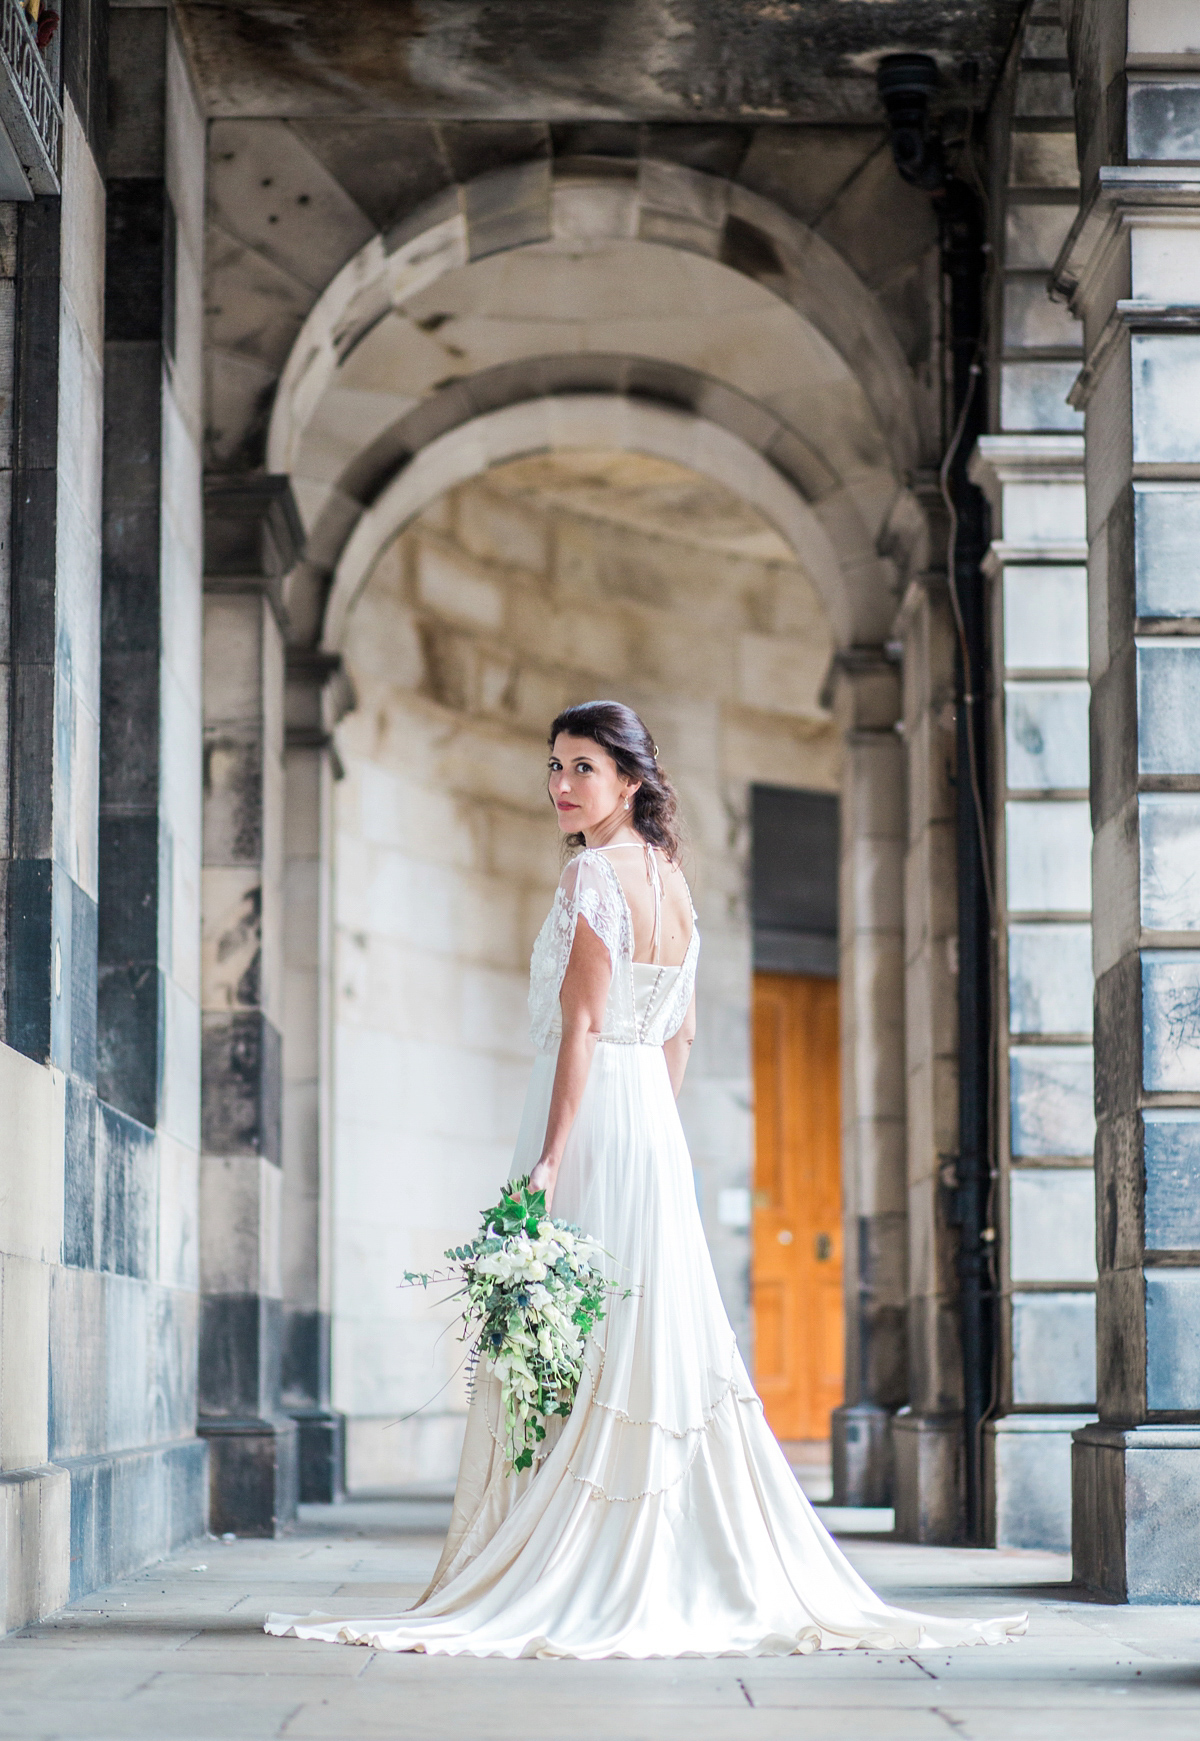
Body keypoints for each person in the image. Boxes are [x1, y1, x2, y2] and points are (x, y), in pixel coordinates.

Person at [266, 700, 1026, 1659]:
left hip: (590, 1121)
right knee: (642, 1328)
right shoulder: (672, 880)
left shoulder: (594, 873)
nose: (560, 784)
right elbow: (683, 1035)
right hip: (650, 1127)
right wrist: (654, 1130)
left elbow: (583, 1027)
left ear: (630, 780)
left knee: (581, 1333)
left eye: (582, 766)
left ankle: (579, 1545)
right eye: (553, 765)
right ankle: (659, 1543)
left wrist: (551, 1157)